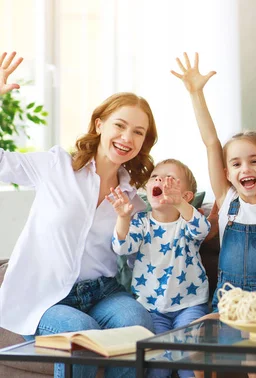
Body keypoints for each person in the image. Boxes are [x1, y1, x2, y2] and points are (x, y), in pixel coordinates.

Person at [0, 52, 156, 378]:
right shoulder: (56, 166)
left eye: (138, 132)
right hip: (45, 298)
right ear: (100, 124)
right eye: (120, 125)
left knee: (138, 323)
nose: (127, 138)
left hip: (103, 292)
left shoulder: (134, 201)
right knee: (80, 332)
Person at [171, 52, 256, 311]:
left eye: (254, 161)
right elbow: (211, 142)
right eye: (236, 164)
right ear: (226, 173)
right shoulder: (227, 199)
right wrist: (195, 94)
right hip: (226, 304)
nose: (245, 168)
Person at [109, 158, 211, 378]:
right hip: (151, 309)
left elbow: (203, 230)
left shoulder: (188, 222)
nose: (160, 180)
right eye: (155, 177)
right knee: (157, 366)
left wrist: (180, 205)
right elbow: (121, 247)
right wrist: (123, 218)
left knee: (189, 361)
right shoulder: (140, 222)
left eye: (170, 179)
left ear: (186, 197)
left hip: (189, 306)